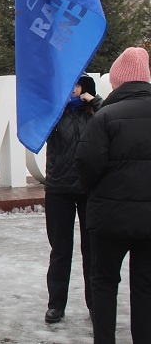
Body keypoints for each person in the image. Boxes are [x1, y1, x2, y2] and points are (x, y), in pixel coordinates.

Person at [76, 47, 151, 344]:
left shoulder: (105, 116)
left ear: (116, 81)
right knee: (146, 286)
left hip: (109, 219)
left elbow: (86, 162)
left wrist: (95, 191)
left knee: (104, 282)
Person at [42, 73, 101, 324]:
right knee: (60, 250)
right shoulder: (55, 114)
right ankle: (56, 304)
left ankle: (96, 303)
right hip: (59, 188)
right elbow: (38, 127)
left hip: (90, 189)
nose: (74, 89)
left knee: (93, 250)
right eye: (70, 83)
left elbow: (112, 118)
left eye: (78, 84)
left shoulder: (95, 113)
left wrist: (95, 101)